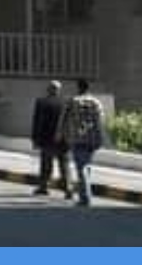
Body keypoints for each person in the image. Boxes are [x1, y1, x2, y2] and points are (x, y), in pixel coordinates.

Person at [59, 78, 107, 207]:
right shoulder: (96, 102)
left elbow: (63, 119)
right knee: (87, 166)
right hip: (92, 139)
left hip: (77, 138)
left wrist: (61, 134)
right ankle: (85, 194)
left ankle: (85, 198)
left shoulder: (73, 101)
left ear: (78, 87)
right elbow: (100, 122)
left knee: (81, 168)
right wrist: (101, 138)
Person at [30, 80, 71, 198]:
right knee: (64, 165)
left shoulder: (41, 102)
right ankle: (68, 188)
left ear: (48, 89)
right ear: (59, 90)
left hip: (46, 139)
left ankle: (44, 187)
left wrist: (35, 138)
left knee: (46, 165)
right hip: (62, 140)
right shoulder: (65, 103)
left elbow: (37, 121)